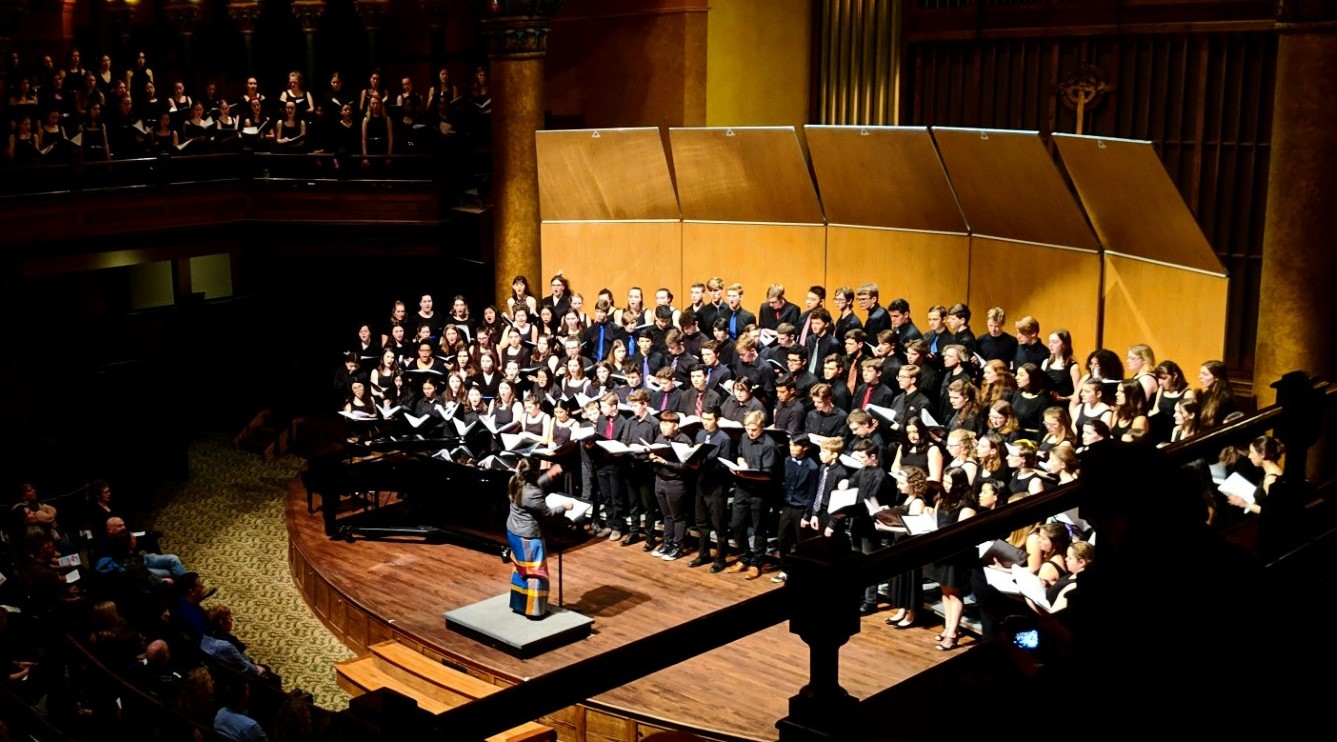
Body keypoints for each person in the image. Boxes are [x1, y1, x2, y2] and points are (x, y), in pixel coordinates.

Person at [505, 459, 571, 619]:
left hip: (514, 532)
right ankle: (534, 611)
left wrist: (550, 475)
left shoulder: (515, 480)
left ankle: (519, 604)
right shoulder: (533, 493)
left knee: (521, 570)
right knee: (536, 573)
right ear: (535, 473)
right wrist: (564, 507)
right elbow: (547, 514)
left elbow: (532, 488)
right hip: (528, 538)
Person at [726, 410, 781, 579]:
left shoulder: (769, 445)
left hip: (760, 492)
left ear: (762, 427)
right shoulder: (744, 438)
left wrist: (746, 472)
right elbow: (740, 455)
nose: (750, 432)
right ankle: (744, 557)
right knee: (737, 525)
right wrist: (740, 462)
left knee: (759, 529)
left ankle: (756, 564)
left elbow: (768, 475)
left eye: (754, 429)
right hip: (743, 489)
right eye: (748, 428)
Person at [930, 467, 977, 650]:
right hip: (940, 551)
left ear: (959, 484)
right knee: (945, 591)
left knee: (954, 593)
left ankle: (953, 632)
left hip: (955, 554)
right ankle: (947, 626)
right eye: (945, 482)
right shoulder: (942, 499)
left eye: (951, 483)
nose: (947, 486)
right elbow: (935, 521)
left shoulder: (967, 504)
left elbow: (963, 531)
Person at [647, 410, 695, 561]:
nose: (663, 426)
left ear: (675, 425)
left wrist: (665, 462)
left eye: (667, 424)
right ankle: (667, 543)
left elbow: (687, 467)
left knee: (678, 516)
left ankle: (678, 546)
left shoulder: (684, 441)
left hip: (675, 482)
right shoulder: (660, 437)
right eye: (661, 423)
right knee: (666, 515)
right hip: (660, 480)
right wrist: (652, 457)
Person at [1196, 360, 1237, 430]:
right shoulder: (1206, 394)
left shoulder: (1225, 399)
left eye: (1205, 374)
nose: (1199, 377)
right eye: (1200, 373)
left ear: (1216, 377)